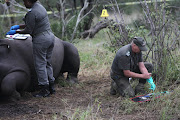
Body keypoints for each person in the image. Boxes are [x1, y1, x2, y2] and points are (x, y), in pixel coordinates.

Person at [6, 0, 55, 97]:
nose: (24, 3)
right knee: (47, 62)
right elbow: (34, 23)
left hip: (41, 39)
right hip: (50, 37)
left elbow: (29, 30)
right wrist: (18, 26)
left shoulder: (32, 13)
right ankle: (51, 86)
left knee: (40, 64)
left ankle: (44, 89)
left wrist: (16, 32)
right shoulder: (40, 7)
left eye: (24, 1)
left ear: (28, 1)